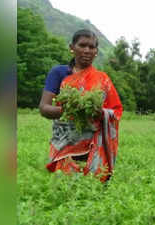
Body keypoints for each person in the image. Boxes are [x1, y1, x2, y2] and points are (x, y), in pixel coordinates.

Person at [39, 29, 123, 182]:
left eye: (91, 47)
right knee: (63, 184)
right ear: (72, 48)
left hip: (93, 141)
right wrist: (69, 110)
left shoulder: (102, 79)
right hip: (65, 140)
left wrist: (98, 112)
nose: (87, 50)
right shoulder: (59, 73)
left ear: (96, 51)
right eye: (82, 45)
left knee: (93, 186)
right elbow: (44, 108)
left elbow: (116, 110)